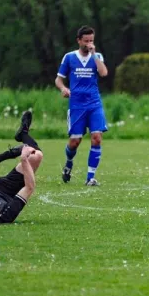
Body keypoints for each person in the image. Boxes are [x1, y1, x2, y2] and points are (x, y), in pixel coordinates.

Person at [55, 25, 109, 186]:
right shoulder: (69, 57)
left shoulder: (97, 56)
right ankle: (69, 163)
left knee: (97, 138)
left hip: (94, 104)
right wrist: (63, 88)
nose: (89, 43)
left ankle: (90, 178)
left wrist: (94, 55)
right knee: (75, 142)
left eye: (91, 40)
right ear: (79, 40)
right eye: (86, 41)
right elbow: (58, 79)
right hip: (77, 105)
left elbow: (104, 73)